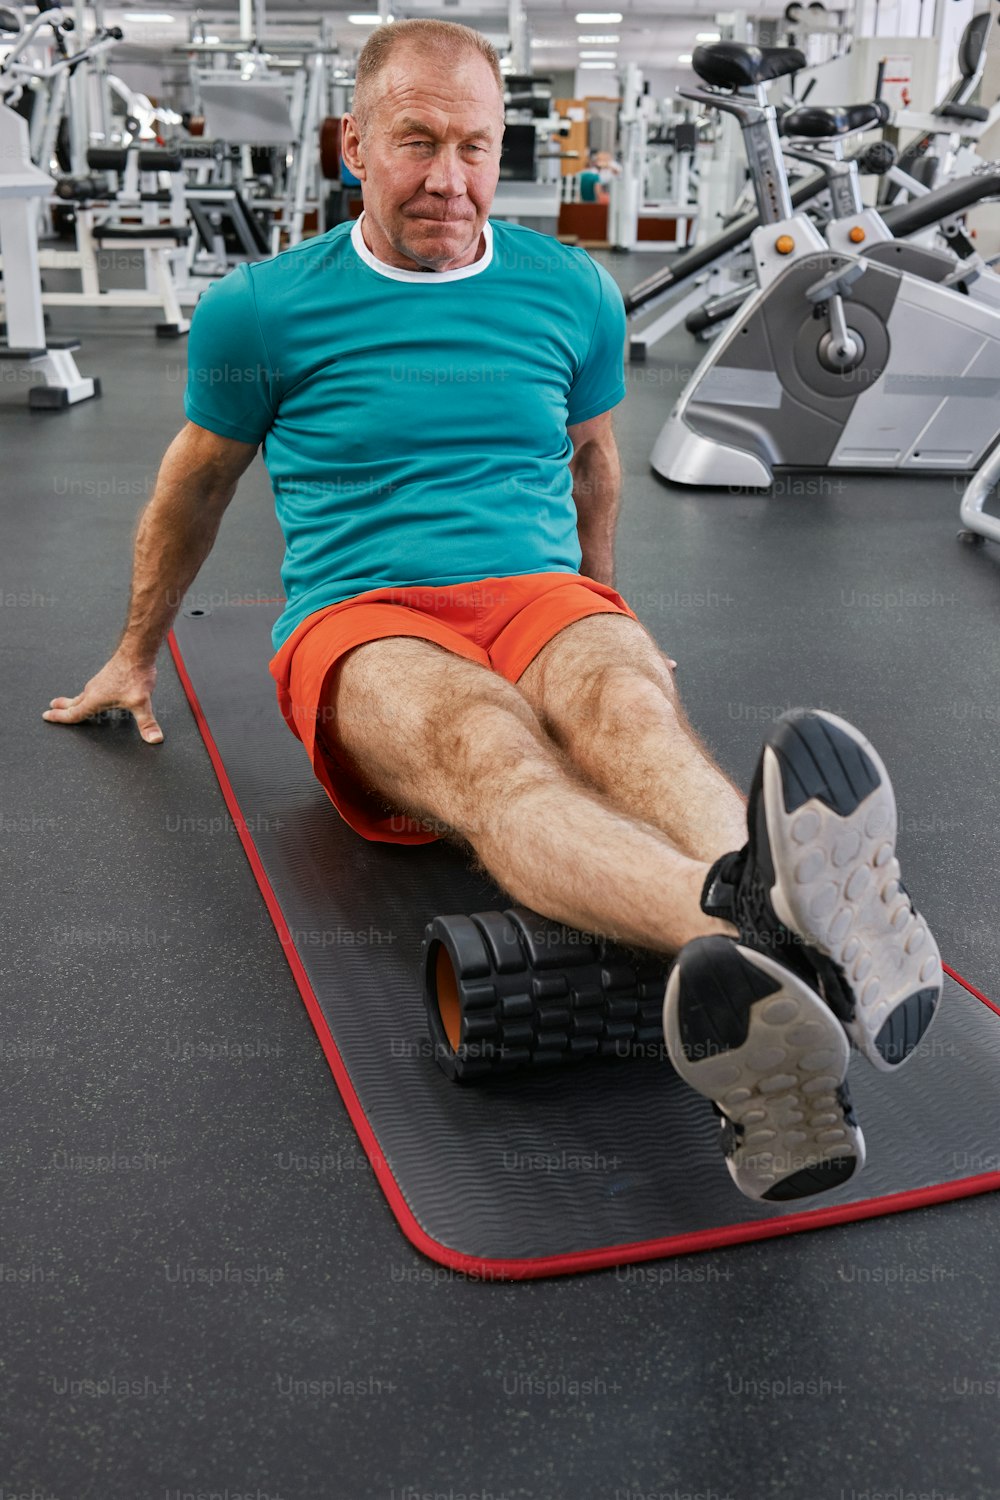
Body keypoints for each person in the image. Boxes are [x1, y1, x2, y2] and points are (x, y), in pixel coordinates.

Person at [42, 18, 942, 1203]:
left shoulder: (569, 288)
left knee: (627, 703)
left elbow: (593, 466)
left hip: (539, 594)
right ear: (352, 143)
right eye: (417, 143)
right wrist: (133, 655)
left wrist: (606, 611)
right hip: (365, 617)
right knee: (487, 749)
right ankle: (786, 938)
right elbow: (192, 488)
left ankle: (769, 958)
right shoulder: (261, 310)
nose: (450, 178)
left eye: (474, 145)